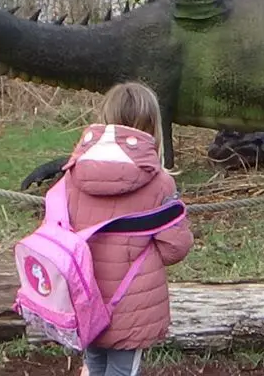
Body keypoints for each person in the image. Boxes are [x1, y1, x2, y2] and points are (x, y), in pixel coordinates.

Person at [64, 82, 194, 376]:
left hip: (84, 295)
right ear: (153, 126)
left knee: (95, 365)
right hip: (131, 304)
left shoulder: (72, 175)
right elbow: (176, 248)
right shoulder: (159, 184)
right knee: (123, 372)